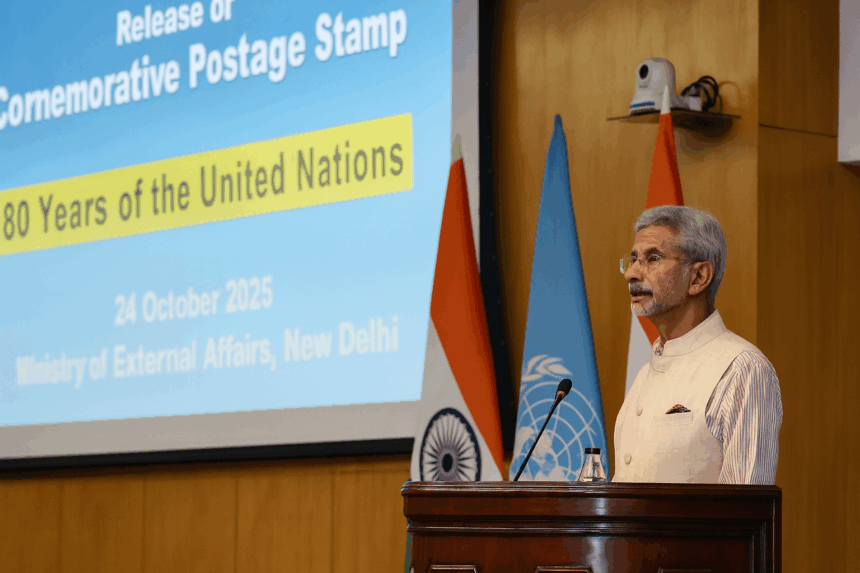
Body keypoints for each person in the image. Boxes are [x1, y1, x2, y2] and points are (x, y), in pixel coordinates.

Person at [614, 205, 782, 484]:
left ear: (698, 278)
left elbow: (745, 514)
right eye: (633, 259)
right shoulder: (645, 372)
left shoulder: (743, 369)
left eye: (652, 258)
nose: (631, 274)